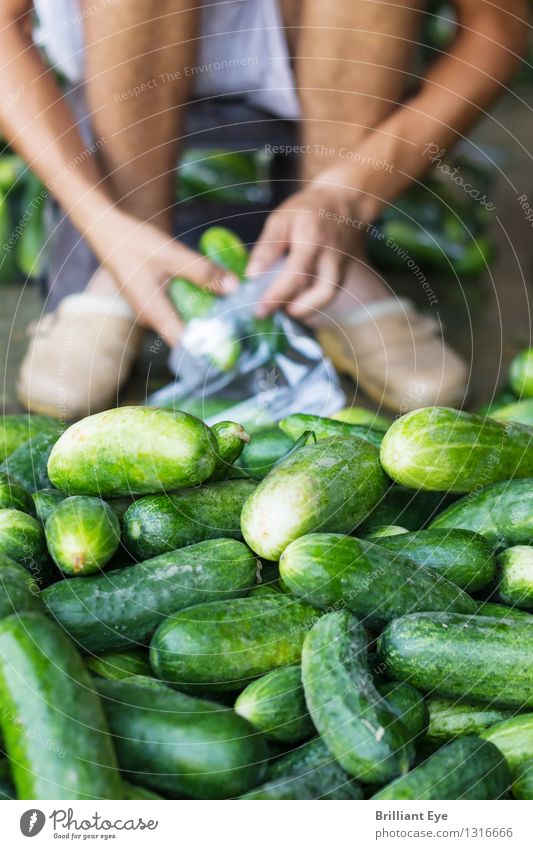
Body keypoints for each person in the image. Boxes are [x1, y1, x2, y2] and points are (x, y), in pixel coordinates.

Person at [0, 0, 527, 419]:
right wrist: (103, 224)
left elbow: (497, 25)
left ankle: (340, 262)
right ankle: (125, 255)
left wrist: (354, 192)